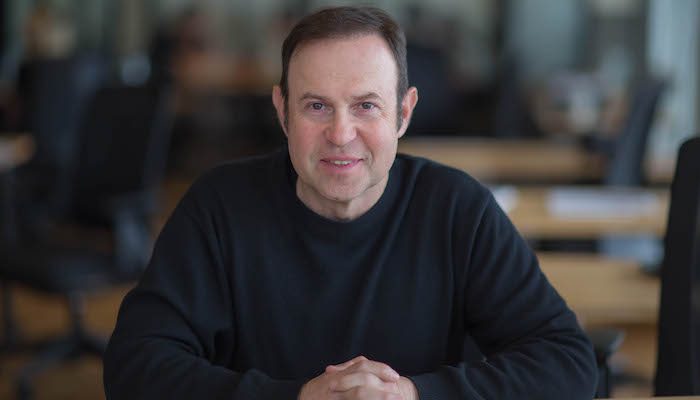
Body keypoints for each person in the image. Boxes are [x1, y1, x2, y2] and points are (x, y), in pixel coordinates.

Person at [104, 6, 597, 399]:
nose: (341, 134)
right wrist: (296, 397)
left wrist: (413, 394)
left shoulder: (456, 209)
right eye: (317, 106)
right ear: (282, 111)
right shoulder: (219, 206)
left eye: (366, 106)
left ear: (404, 113)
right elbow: (134, 366)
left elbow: (568, 362)